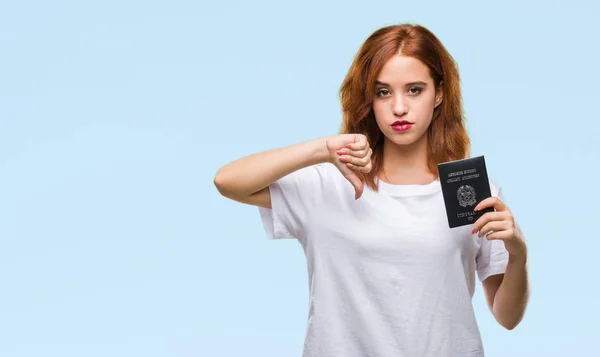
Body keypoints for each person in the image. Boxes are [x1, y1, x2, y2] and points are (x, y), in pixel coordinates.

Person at [213, 23, 530, 357]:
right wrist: (322, 149)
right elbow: (228, 181)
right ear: (369, 98)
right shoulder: (330, 184)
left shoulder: (468, 189)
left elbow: (506, 316)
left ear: (439, 93)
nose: (398, 108)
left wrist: (518, 254)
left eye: (414, 90)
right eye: (383, 92)